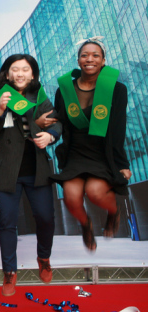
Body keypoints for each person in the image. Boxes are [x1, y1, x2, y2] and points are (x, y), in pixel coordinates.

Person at [0, 54, 62, 296]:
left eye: (25, 69)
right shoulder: (0, 95)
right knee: (7, 223)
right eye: (15, 69)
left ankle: (44, 257)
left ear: (32, 74)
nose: (19, 74)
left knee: (45, 218)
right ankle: (9, 272)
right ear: (8, 74)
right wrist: (0, 108)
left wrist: (50, 136)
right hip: (7, 171)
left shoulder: (40, 97)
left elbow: (57, 123)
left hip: (37, 170)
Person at [52, 37, 131, 252]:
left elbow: (118, 127)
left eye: (96, 55)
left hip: (101, 152)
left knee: (96, 192)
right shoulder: (64, 91)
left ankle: (114, 213)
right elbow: (60, 121)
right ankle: (86, 224)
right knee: (71, 196)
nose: (90, 59)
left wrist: (122, 163)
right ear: (78, 61)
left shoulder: (117, 89)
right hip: (76, 151)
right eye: (85, 55)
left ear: (104, 61)